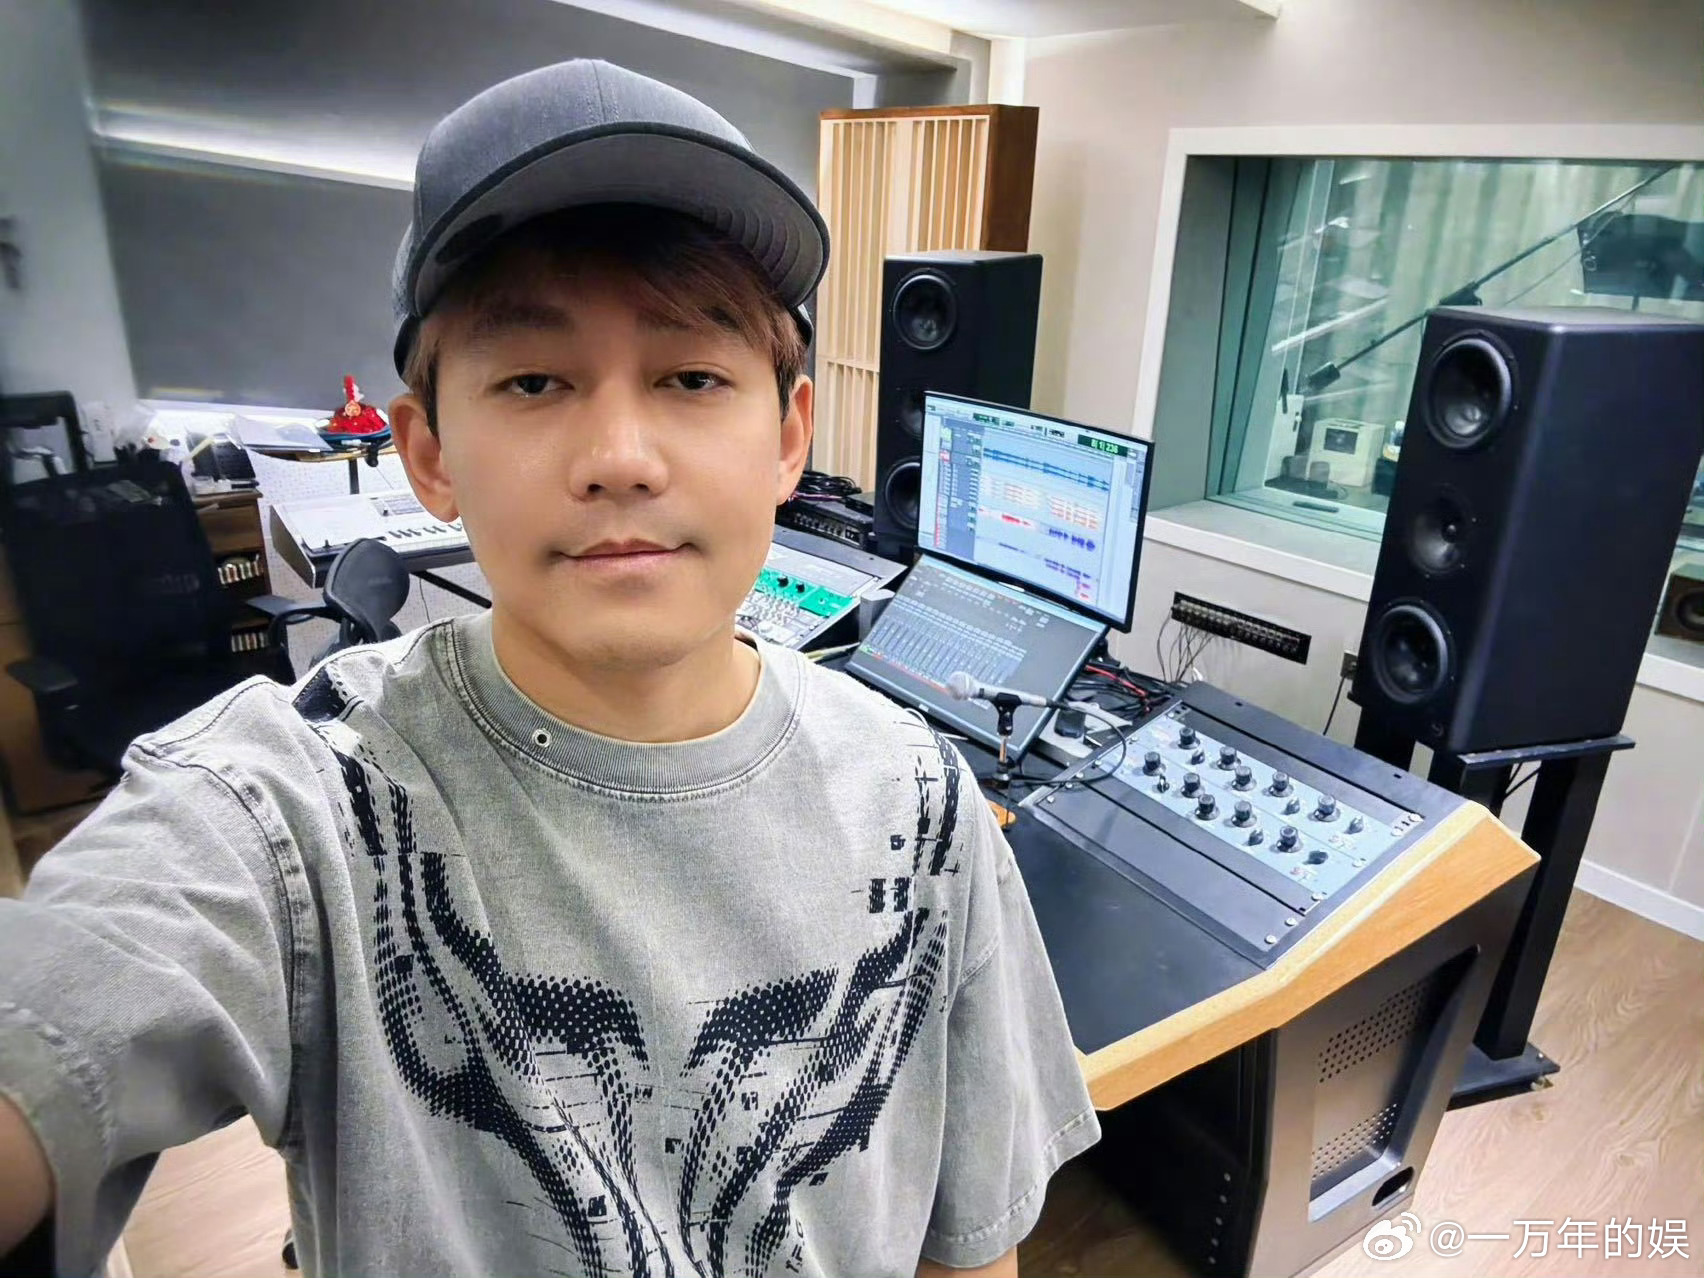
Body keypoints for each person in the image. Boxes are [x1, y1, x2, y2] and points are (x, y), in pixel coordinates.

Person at [0, 59, 1097, 1277]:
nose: (620, 456)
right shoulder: (295, 815)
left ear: (789, 438)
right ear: (430, 454)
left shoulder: (920, 802)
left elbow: (969, 1243)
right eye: (533, 381)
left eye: (692, 377)